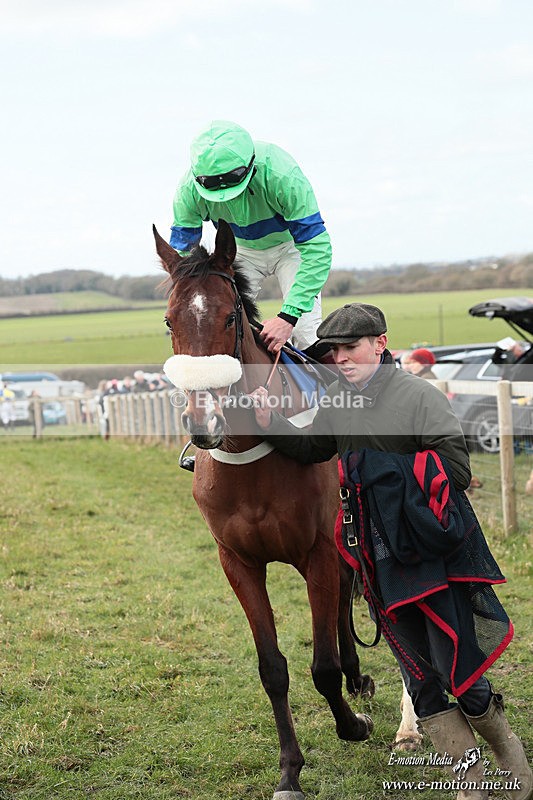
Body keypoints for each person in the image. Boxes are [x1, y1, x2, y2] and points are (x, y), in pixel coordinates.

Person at [250, 303, 532, 800]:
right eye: (332, 352)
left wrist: (370, 469)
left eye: (350, 347)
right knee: (419, 679)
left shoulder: (418, 395)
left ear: (380, 343)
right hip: (376, 556)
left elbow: (457, 470)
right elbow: (312, 449)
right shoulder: (337, 401)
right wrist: (270, 424)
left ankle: (508, 750)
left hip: (432, 547)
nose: (340, 359)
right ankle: (470, 781)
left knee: (457, 671)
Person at [170, 120, 332, 353]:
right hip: (240, 251)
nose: (226, 198)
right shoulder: (187, 191)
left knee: (305, 331)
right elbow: (183, 258)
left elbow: (316, 249)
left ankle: (336, 387)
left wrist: (288, 317)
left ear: (252, 165)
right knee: (218, 324)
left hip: (292, 247)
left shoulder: (283, 175)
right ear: (198, 177)